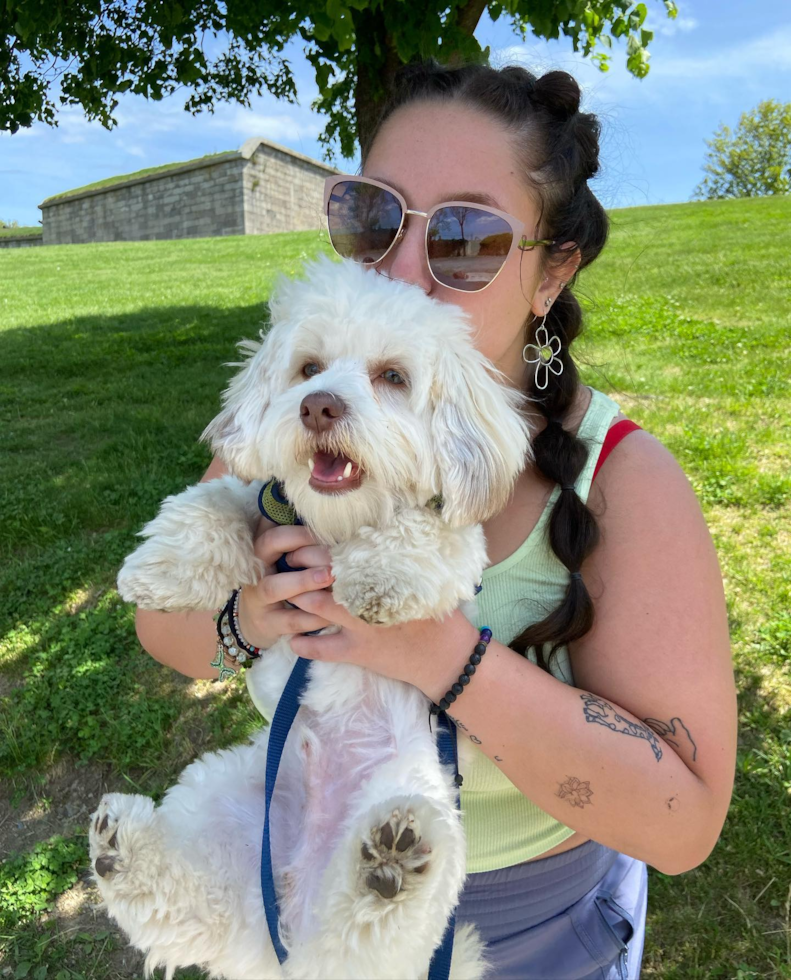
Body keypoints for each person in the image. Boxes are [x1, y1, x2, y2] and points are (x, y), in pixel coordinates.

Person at [136, 60, 737, 978]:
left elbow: (683, 824)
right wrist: (249, 621)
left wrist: (440, 658)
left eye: (466, 238)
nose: (404, 270)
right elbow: (162, 625)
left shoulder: (624, 484)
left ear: (552, 272)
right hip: (292, 873)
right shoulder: (300, 425)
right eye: (374, 217)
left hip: (531, 937)